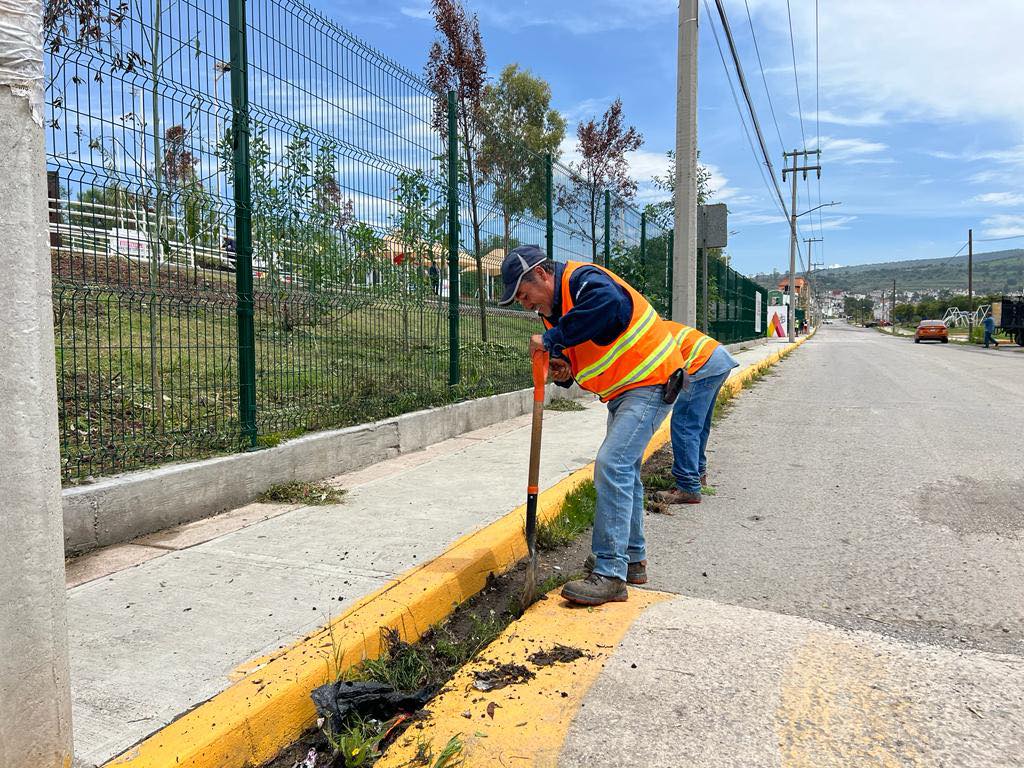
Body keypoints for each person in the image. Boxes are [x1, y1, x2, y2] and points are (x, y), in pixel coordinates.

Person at [498, 245, 710, 606]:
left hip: (651, 381)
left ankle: (610, 573)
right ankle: (632, 558)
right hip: (623, 391)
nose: (524, 303)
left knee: (612, 465)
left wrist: (551, 340)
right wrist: (562, 370)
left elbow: (607, 306)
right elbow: (575, 353)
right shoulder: (554, 313)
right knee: (624, 470)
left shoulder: (583, 281)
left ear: (543, 274)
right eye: (518, 299)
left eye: (524, 293)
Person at [655, 330, 738, 505]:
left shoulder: (647, 337)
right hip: (718, 359)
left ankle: (688, 486)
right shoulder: (656, 326)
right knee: (699, 424)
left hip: (703, 364)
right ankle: (698, 474)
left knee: (685, 424)